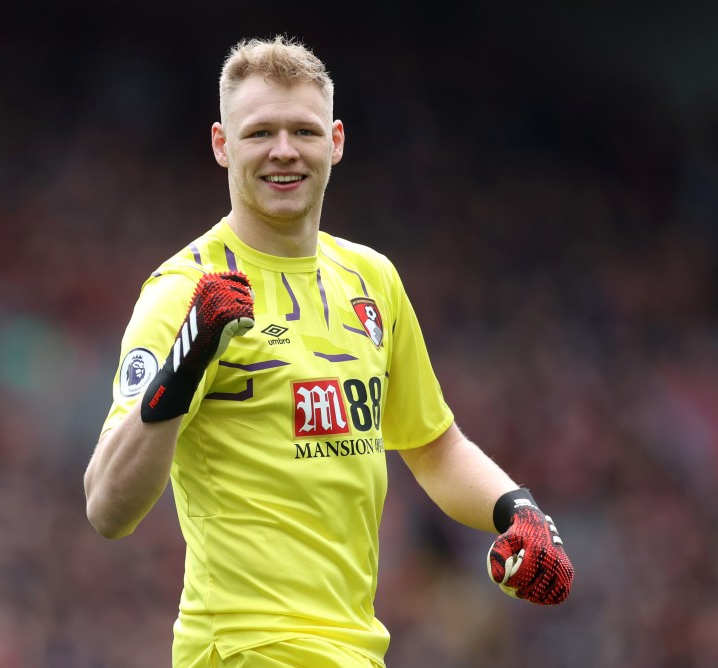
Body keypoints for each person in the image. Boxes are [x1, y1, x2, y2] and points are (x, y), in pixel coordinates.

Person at [83, 35, 574, 668]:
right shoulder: (183, 292)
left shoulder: (372, 280)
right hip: (243, 649)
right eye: (259, 132)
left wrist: (518, 509)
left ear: (335, 142)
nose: (284, 151)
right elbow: (107, 507)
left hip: (355, 651)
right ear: (221, 144)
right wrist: (185, 360)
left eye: (303, 132)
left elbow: (431, 444)